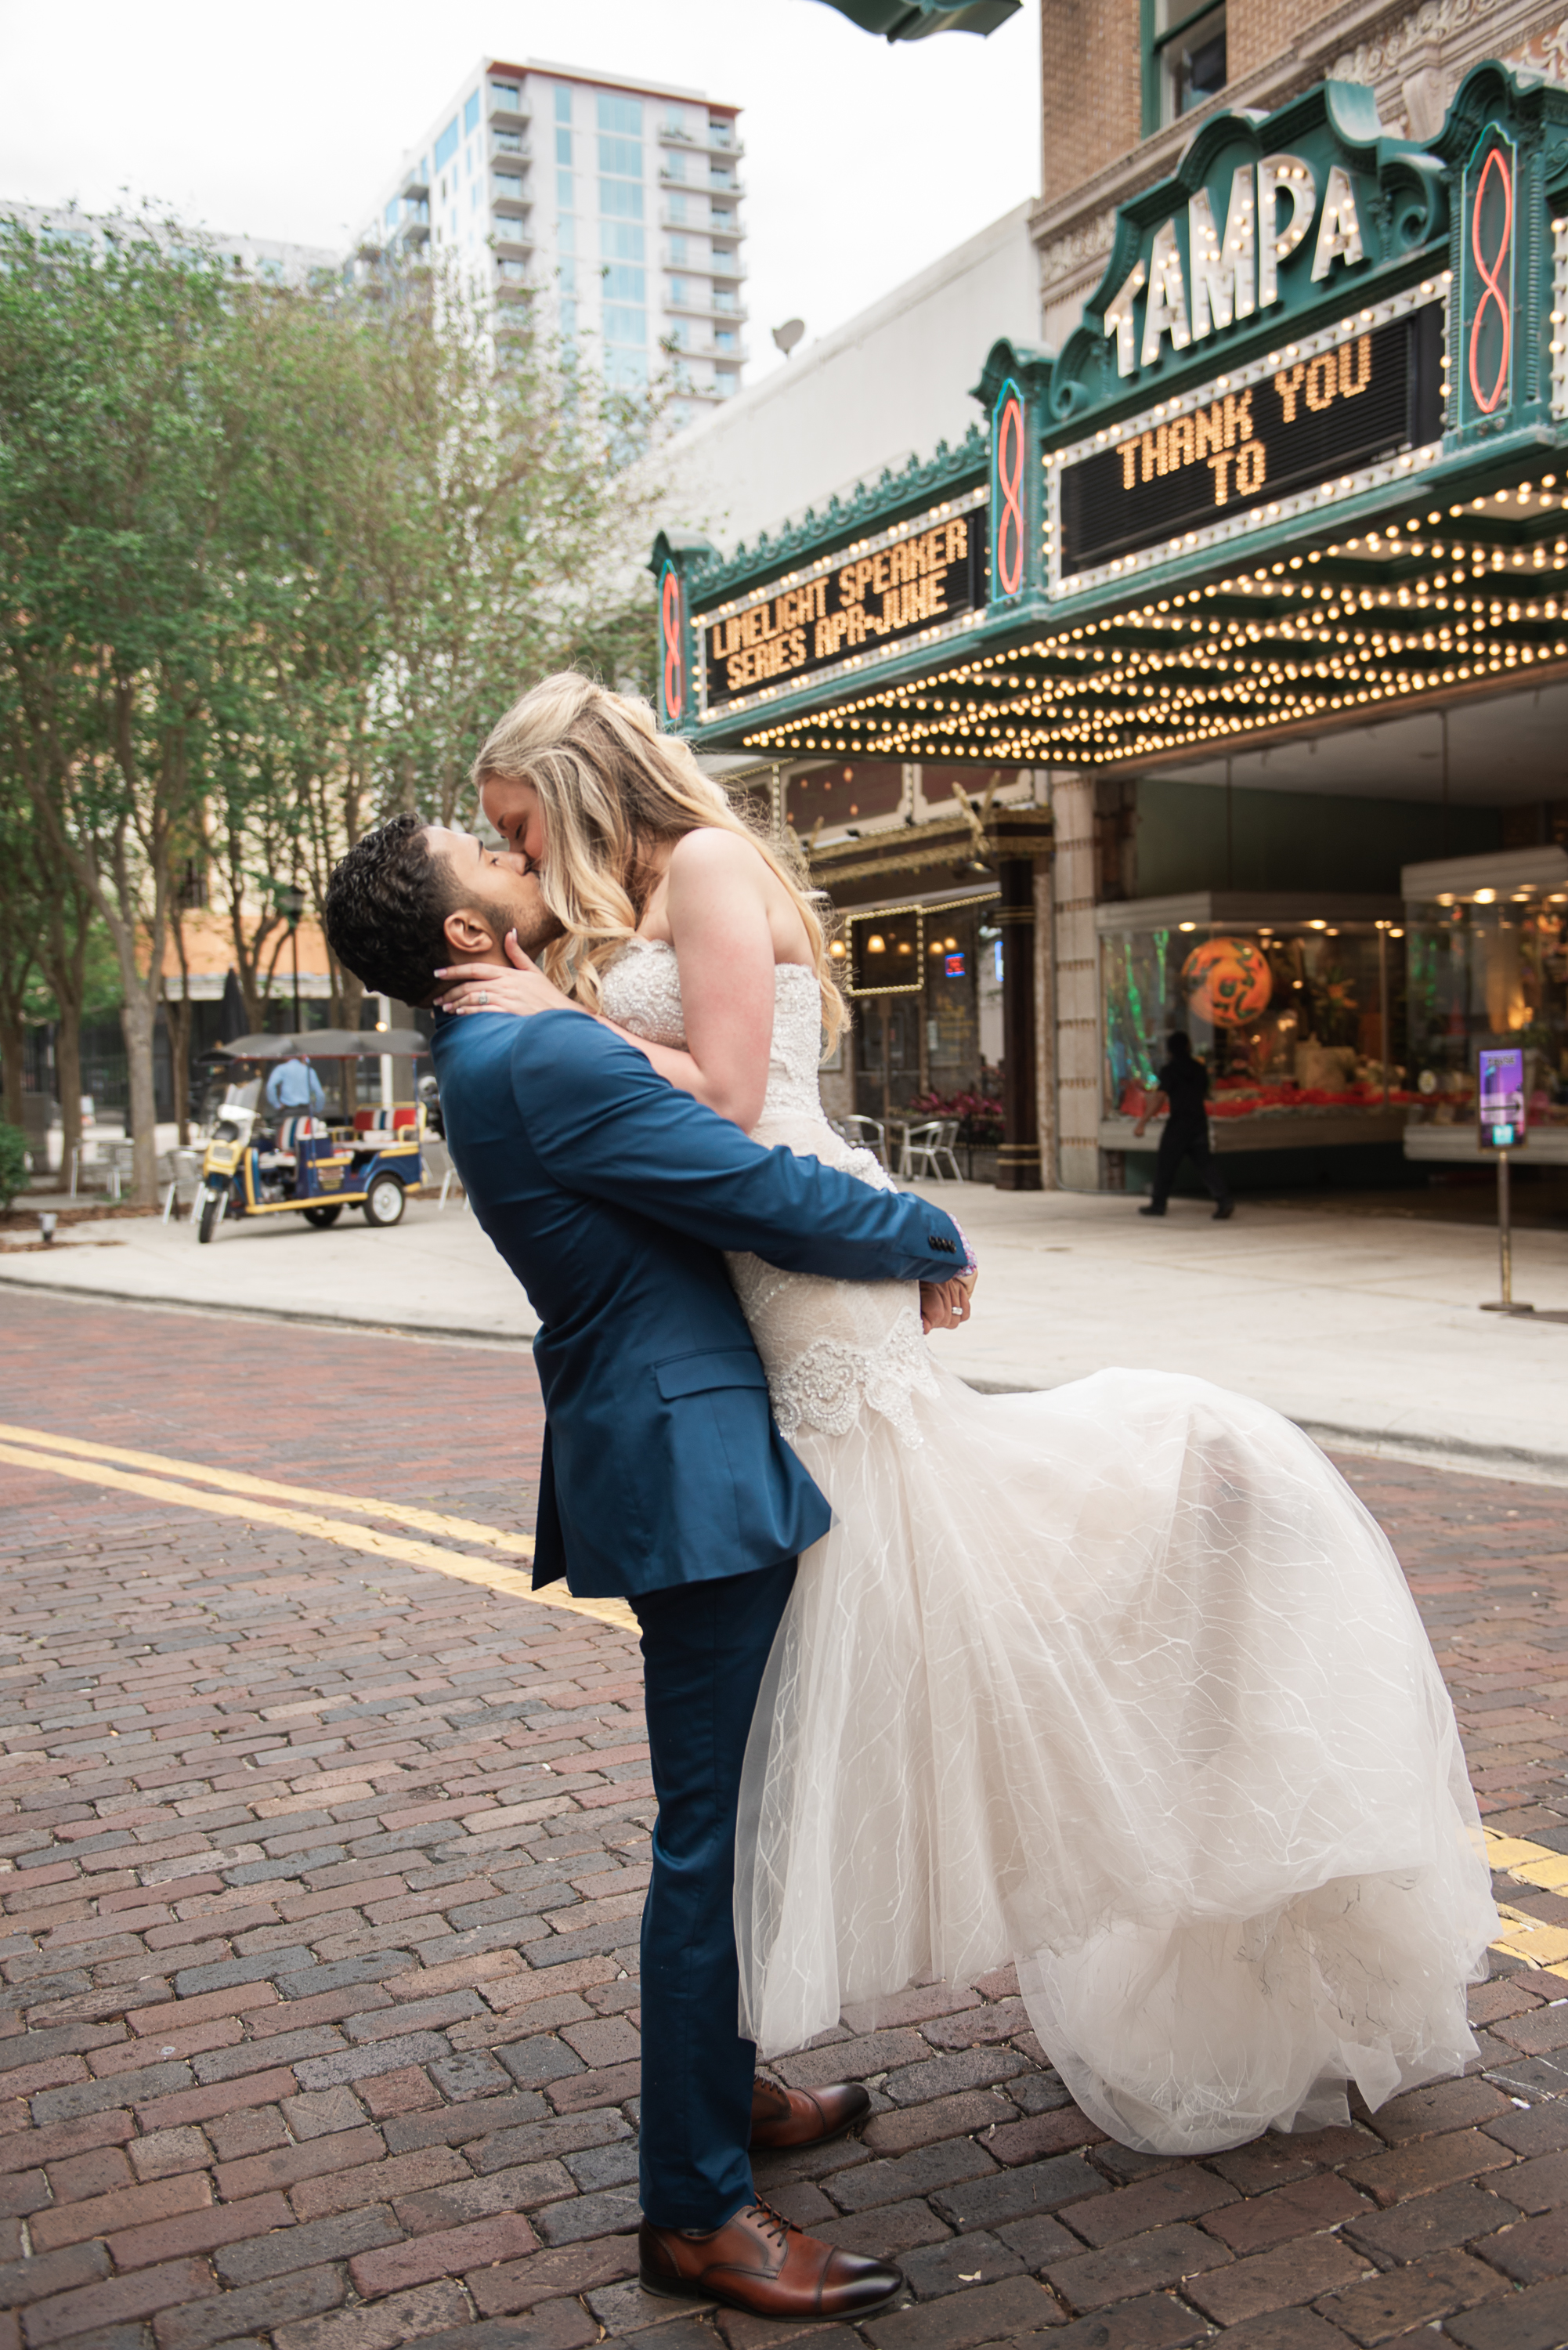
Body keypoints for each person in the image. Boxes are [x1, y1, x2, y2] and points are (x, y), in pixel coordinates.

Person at [432, 673, 1496, 2170]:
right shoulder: (607, 925)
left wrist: (552, 1015)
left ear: (582, 785)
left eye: (522, 829)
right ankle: (726, 2071)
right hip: (761, 1283)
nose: (525, 863)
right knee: (816, 1685)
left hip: (807, 1274)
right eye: (502, 849)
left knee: (895, 1643)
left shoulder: (712, 869)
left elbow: (733, 1101)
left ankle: (1171, 1653)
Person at [322, 815, 975, 2324]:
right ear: (467, 942)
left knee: (733, 1814)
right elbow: (748, 1188)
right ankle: (692, 2212)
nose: (510, 858)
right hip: (690, 1466)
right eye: (476, 857)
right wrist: (924, 1226)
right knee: (715, 1837)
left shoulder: (501, 1046)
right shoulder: (534, 1059)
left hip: (668, 1440)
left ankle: (728, 2097)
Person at [1132, 1030, 1234, 1220]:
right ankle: (1224, 1200)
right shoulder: (1198, 1068)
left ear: (1170, 1050)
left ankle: (1158, 1204)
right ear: (1187, 1047)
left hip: (1179, 1123)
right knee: (1205, 1164)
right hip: (1198, 1121)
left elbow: (1160, 1098)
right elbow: (1204, 1092)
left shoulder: (1170, 1070)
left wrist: (1142, 1122)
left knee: (1166, 1164)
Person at [262, 1051, 326, 1122]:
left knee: (285, 1131)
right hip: (305, 1111)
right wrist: (317, 1110)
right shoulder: (309, 1071)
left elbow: (270, 1086)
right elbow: (320, 1094)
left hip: (288, 1111)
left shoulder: (282, 1069)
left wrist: (277, 1105)